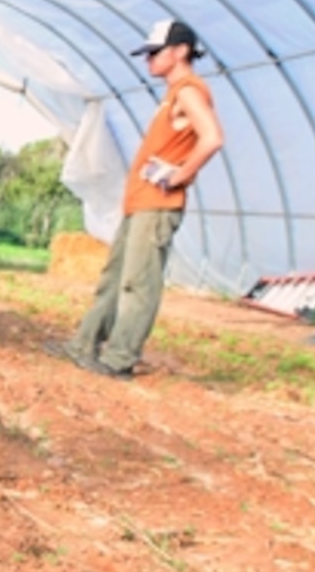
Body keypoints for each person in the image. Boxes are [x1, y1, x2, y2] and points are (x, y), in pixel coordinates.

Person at [64, 19, 224, 376]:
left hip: (157, 206)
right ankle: (84, 344)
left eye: (155, 52)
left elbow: (212, 137)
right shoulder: (172, 94)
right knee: (115, 277)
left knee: (138, 283)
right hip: (140, 202)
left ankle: (119, 359)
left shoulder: (188, 90)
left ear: (180, 51)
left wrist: (181, 175)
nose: (148, 60)